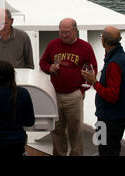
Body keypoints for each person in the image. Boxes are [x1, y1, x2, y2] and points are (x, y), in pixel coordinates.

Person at [39, 18, 97, 156]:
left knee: (75, 132)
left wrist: (82, 90)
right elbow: (43, 63)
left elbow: (92, 68)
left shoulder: (85, 47)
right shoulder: (53, 45)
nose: (64, 35)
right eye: (61, 32)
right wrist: (50, 68)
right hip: (55, 94)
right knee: (57, 131)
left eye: (67, 32)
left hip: (74, 95)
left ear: (75, 30)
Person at [82, 26, 125, 156]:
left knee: (106, 150)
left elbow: (111, 95)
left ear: (104, 41)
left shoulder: (114, 63)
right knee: (107, 148)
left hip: (109, 118)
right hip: (114, 116)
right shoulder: (123, 58)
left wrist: (94, 82)